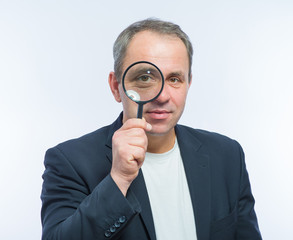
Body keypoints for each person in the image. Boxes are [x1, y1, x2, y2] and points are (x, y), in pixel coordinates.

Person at [41, 18, 262, 240]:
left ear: (188, 84)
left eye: (175, 79)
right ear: (117, 87)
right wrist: (118, 179)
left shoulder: (227, 155)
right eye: (145, 78)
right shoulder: (70, 161)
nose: (163, 96)